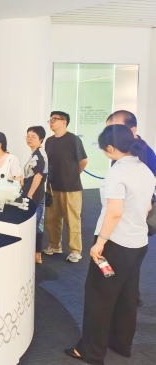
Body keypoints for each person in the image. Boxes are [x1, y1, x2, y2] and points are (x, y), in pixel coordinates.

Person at [66, 124, 154, 365]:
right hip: (138, 242)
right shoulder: (144, 168)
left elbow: (114, 212)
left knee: (99, 296)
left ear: (111, 148)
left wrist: (100, 243)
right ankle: (121, 344)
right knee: (127, 295)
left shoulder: (118, 171)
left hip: (115, 243)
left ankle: (91, 352)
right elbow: (148, 206)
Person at [106, 110, 156, 307]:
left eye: (115, 128)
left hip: (133, 218)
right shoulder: (121, 151)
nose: (111, 134)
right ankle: (128, 295)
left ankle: (129, 296)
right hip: (123, 217)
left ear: (132, 130)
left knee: (130, 256)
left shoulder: (144, 152)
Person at [44, 111, 88, 263]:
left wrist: (72, 175)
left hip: (71, 187)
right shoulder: (49, 141)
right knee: (52, 219)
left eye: (54, 119)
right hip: (52, 186)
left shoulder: (73, 139)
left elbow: (83, 161)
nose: (51, 122)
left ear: (64, 122)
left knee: (72, 220)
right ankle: (54, 246)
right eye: (50, 119)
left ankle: (75, 251)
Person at [23, 126, 48, 264]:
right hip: (35, 193)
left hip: (34, 194)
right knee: (38, 225)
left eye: (33, 136)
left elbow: (38, 177)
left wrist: (30, 195)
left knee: (33, 225)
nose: (29, 138)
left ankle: (33, 255)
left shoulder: (39, 155)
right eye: (28, 136)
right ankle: (37, 255)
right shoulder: (36, 153)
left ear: (41, 139)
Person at [106, 110, 156, 176]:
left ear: (132, 130)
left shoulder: (145, 155)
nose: (110, 135)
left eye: (116, 130)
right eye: (108, 131)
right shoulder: (120, 148)